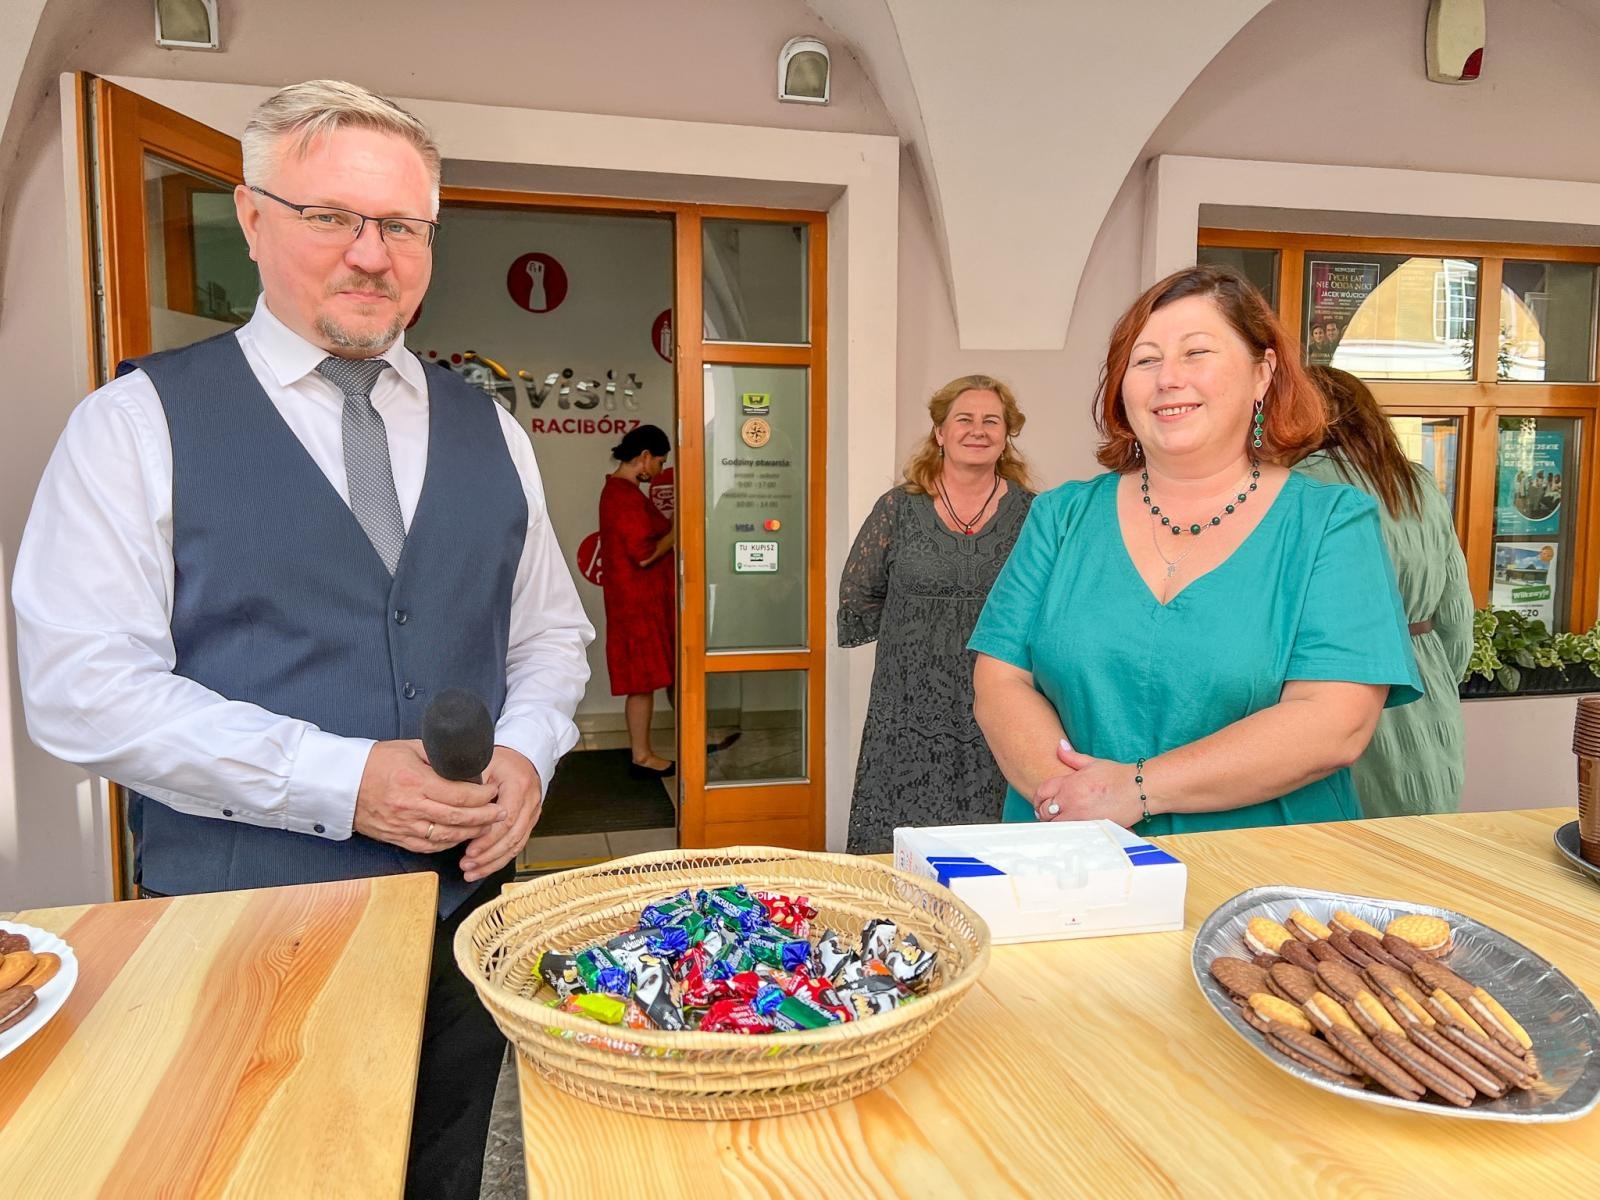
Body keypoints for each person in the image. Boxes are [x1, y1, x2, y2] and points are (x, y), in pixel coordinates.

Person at [12, 80, 594, 1200]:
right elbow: (80, 690)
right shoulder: (134, 425)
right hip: (240, 940)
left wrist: (528, 755)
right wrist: (343, 783)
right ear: (255, 215)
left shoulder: (493, 430)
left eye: (403, 226)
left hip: (464, 935)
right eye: (332, 216)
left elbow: (550, 637)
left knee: (447, 1171)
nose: (372, 255)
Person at [969, 265, 1422, 834]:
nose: (1167, 379)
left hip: (1263, 883)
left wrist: (1134, 790)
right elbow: (1001, 680)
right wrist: (1070, 804)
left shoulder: (1329, 524)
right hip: (1073, 869)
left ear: (1263, 372)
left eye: (1196, 353)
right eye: (1146, 359)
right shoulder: (1060, 516)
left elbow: (1334, 722)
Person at [838, 374, 1034, 852]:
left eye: (993, 420)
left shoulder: (1034, 513)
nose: (978, 429)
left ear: (1007, 434)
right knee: (902, 835)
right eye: (963, 419)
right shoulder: (898, 509)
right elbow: (859, 594)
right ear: (940, 432)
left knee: (991, 842)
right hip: (908, 702)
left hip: (1001, 694)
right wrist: (921, 630)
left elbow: (1047, 604)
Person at [1296, 368, 1470, 816]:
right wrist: (1428, 676)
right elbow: (1456, 618)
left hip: (1334, 686)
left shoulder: (1295, 488)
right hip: (1427, 687)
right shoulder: (1419, 483)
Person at [599, 424, 677, 778]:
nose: (660, 470)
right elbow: (644, 555)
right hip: (637, 606)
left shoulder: (622, 493)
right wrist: (677, 531)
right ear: (644, 457)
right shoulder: (623, 496)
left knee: (645, 681)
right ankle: (642, 756)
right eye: (659, 462)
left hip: (638, 604)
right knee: (641, 683)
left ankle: (644, 752)